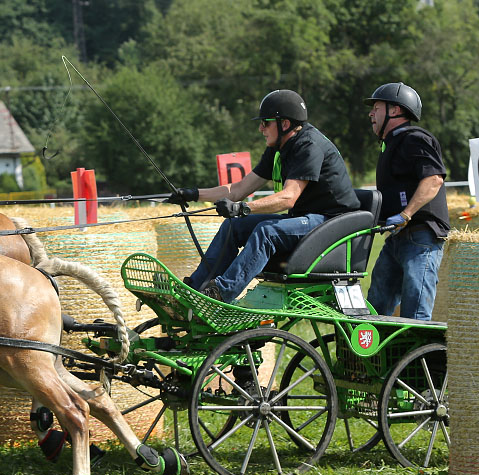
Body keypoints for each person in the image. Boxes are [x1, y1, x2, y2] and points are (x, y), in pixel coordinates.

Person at [169, 89, 360, 302]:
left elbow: (288, 198)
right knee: (234, 226)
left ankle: (221, 293)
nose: (261, 129)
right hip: (306, 219)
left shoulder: (308, 146)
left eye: (265, 122)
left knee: (266, 232)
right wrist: (192, 194)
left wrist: (243, 208)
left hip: (331, 223)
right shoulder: (278, 147)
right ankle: (194, 291)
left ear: (284, 124)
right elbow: (239, 189)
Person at [363, 82, 448, 321]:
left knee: (415, 315)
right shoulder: (391, 143)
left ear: (396, 110)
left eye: (377, 107)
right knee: (375, 309)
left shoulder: (415, 139)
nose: (371, 113)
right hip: (398, 238)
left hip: (421, 238)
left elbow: (433, 179)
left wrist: (406, 214)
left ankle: (416, 359)